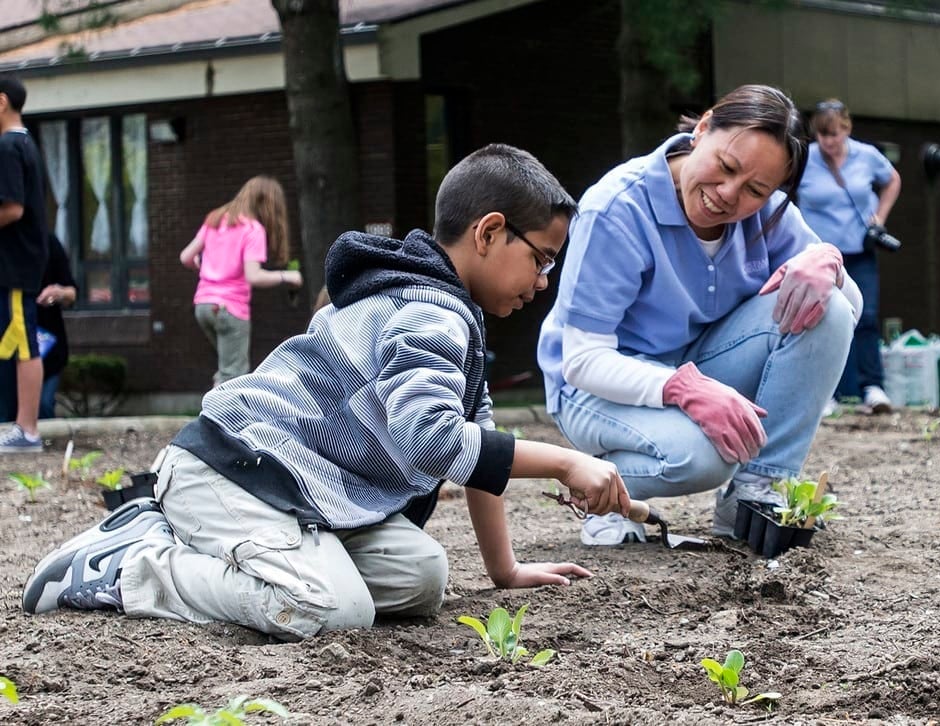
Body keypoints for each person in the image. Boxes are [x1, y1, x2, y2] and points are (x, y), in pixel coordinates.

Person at [22, 144, 631, 639]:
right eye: (543, 259)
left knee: (421, 577)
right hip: (233, 471)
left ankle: (274, 555)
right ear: (489, 232)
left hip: (306, 490)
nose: (545, 282)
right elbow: (430, 441)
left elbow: (477, 437)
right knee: (330, 609)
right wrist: (565, 461)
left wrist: (505, 570)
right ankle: (131, 566)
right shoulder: (429, 313)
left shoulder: (443, 309)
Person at [537, 84, 860, 547]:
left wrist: (828, 263)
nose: (728, 195)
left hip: (696, 369)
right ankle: (597, 483)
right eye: (726, 167)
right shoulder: (617, 208)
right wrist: (681, 387)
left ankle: (756, 492)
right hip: (594, 390)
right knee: (704, 456)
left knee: (824, 303)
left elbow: (846, 313)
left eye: (755, 189)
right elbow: (583, 361)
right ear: (703, 128)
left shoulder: (766, 216)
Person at [797, 98, 901, 415]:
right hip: (819, 254)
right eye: (822, 134)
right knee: (825, 318)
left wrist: (879, 218)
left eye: (835, 134)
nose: (829, 141)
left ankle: (872, 387)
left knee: (865, 317)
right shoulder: (805, 159)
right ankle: (830, 392)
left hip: (859, 251)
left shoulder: (866, 155)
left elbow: (892, 180)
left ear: (847, 128)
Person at [179, 175, 303, 388]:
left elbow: (186, 257)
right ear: (266, 204)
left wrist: (204, 264)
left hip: (204, 306)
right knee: (234, 376)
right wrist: (288, 276)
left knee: (226, 368)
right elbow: (253, 276)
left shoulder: (215, 219)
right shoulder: (252, 230)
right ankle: (221, 420)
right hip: (230, 308)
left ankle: (214, 412)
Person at [0, 73, 48, 452]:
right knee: (17, 341)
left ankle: (27, 430)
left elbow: (12, 208)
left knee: (24, 343)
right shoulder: (26, 143)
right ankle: (23, 426)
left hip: (15, 262)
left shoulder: (8, 147)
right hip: (21, 260)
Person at [0, 233, 77, 421]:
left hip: (47, 345)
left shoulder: (48, 242)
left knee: (42, 405)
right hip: (9, 346)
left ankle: (39, 439)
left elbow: (72, 292)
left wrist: (58, 293)